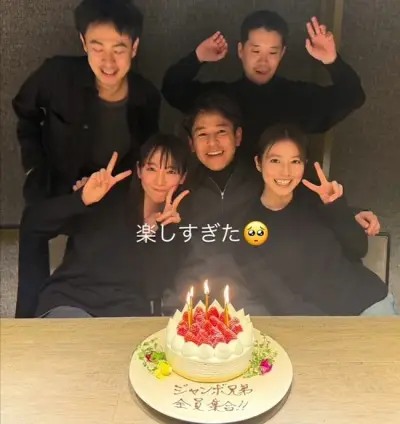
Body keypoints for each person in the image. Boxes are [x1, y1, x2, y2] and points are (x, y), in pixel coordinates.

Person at [162, 93, 380, 315]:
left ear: (238, 136)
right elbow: (166, 255)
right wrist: (165, 227)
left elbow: (309, 200)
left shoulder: (265, 176)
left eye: (221, 132)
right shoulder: (181, 191)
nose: (212, 143)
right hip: (195, 304)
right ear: (191, 143)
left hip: (257, 305)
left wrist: (351, 213)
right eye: (202, 134)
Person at [12, 0, 161, 317]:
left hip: (113, 191)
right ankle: (26, 321)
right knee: (32, 225)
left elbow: (145, 152)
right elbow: (25, 112)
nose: (108, 61)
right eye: (97, 47)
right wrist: (34, 166)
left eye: (119, 49)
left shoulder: (145, 96)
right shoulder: (56, 75)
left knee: (115, 246)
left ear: (135, 47)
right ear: (83, 43)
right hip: (59, 184)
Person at [233, 124, 398, 316]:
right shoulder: (249, 222)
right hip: (315, 321)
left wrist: (336, 207)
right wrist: (321, 325)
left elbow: (358, 249)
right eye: (275, 161)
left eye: (295, 161)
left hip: (369, 303)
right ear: (258, 163)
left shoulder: (317, 198)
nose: (285, 171)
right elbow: (276, 295)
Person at [162, 11, 365, 166]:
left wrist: (332, 61)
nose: (263, 61)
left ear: (282, 53)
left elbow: (353, 97)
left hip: (283, 196)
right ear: (241, 50)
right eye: (256, 51)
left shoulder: (297, 97)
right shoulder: (219, 98)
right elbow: (171, 88)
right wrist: (197, 58)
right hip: (226, 197)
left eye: (272, 52)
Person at [21, 133, 189, 318]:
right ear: (139, 171)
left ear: (183, 177)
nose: (160, 180)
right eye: (152, 168)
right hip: (71, 303)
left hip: (125, 315)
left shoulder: (178, 223)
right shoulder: (105, 199)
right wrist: (81, 200)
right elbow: (33, 223)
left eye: (171, 171)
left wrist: (162, 231)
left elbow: (156, 287)